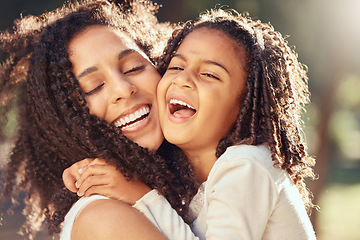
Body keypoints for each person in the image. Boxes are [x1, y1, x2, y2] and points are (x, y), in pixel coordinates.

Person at [66, 8, 317, 240]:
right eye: (176, 66)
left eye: (209, 74)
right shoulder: (189, 182)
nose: (183, 79)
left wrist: (141, 196)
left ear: (247, 103)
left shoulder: (245, 165)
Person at [0, 1, 198, 239]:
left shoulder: (185, 187)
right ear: (65, 125)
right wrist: (143, 197)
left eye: (134, 68)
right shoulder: (104, 217)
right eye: (94, 87)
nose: (123, 90)